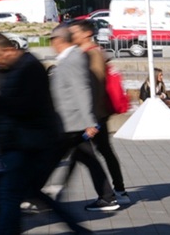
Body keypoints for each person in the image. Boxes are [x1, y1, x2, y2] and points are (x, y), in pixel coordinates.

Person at [0, 33, 91, 235]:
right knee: (28, 191)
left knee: (9, 194)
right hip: (21, 141)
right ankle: (78, 229)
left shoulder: (29, 67)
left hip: (28, 143)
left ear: (8, 50)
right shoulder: (12, 68)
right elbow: (10, 100)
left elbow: (24, 106)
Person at [46, 26, 119, 211]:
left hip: (75, 120)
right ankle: (108, 196)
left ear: (58, 41)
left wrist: (90, 121)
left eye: (51, 40)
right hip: (75, 120)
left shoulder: (77, 57)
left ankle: (34, 193)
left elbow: (83, 89)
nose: (51, 44)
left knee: (52, 157)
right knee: (87, 157)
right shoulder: (74, 57)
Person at [68, 19, 129, 204]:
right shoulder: (87, 52)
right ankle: (118, 191)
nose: (72, 35)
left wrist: (91, 118)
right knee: (96, 151)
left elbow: (95, 86)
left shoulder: (93, 53)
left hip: (95, 114)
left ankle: (114, 193)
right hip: (94, 113)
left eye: (75, 32)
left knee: (90, 151)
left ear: (87, 33)